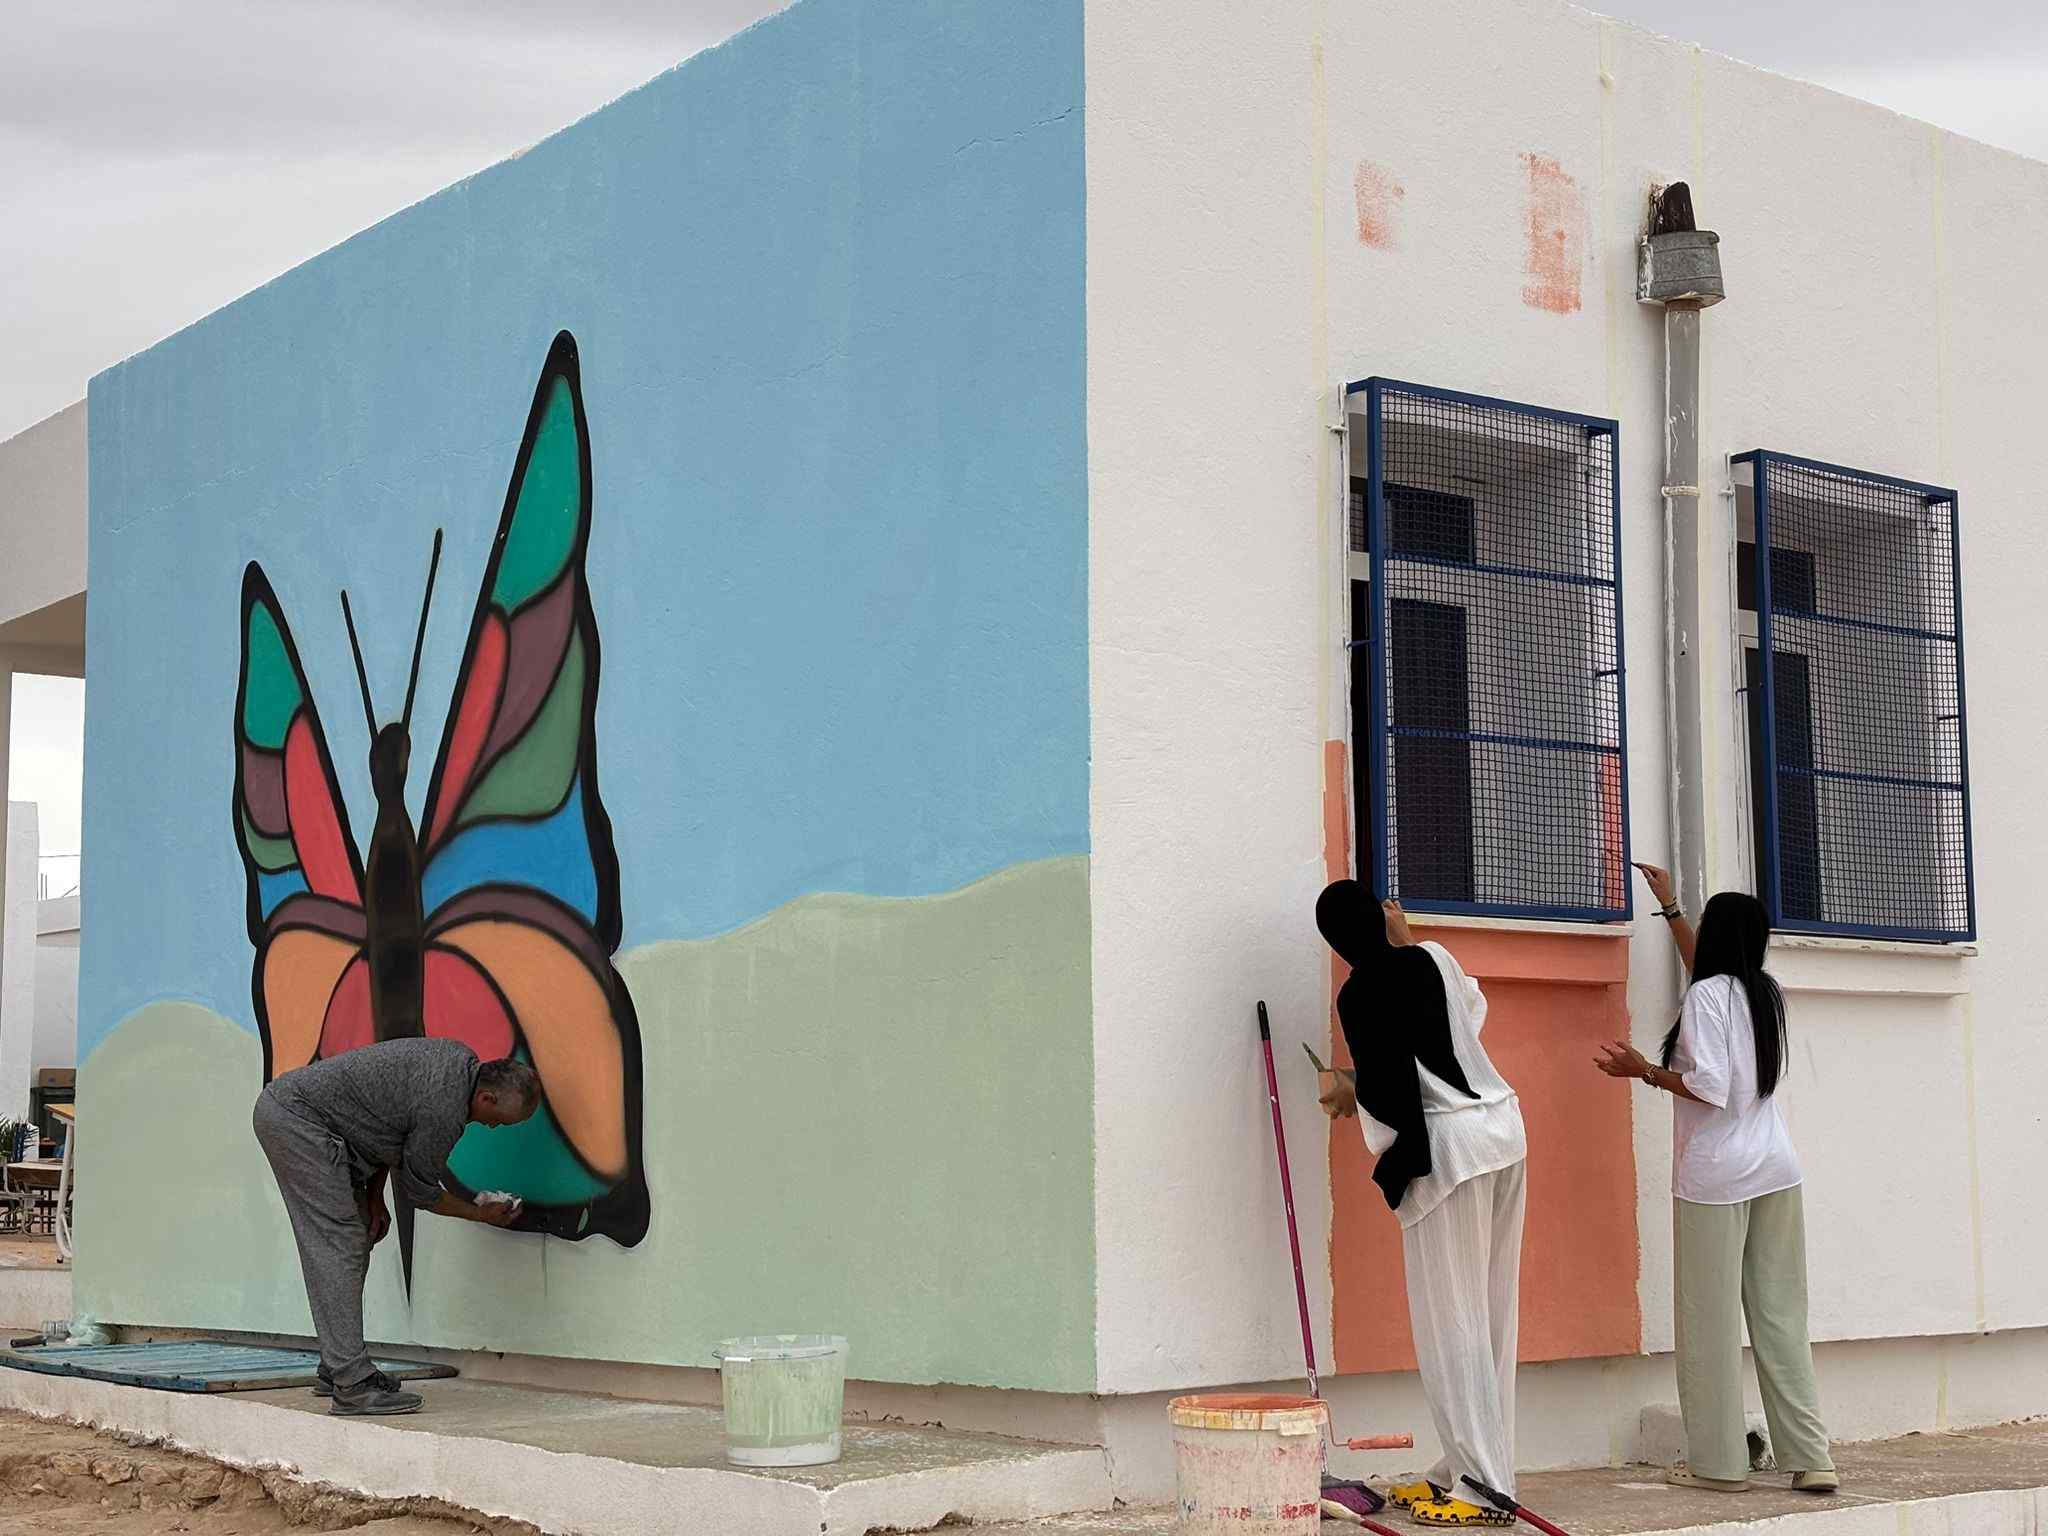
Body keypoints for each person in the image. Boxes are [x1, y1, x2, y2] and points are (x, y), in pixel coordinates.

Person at [1594, 864, 1838, 1495]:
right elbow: (1710, 978)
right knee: (1781, 1317)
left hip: (1715, 1181)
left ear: (1720, 934)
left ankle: (1719, 1465)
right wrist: (1671, 908)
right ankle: (1813, 1460)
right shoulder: (1764, 991)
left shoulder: (1708, 997)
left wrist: (1642, 1070)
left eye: (1704, 922)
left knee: (1709, 1323)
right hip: (1777, 1171)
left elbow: (1707, 1087)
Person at [1316, 880, 1526, 1529]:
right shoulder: (1433, 957)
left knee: (1451, 1326)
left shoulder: (1358, 991)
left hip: (1452, 1154)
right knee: (1491, 1317)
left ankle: (1485, 1489)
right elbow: (1469, 1015)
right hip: (1504, 1131)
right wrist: (1408, 941)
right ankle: (1467, 1469)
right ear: (1382, 916)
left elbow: (1390, 1087)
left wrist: (1351, 1094)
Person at [252, 1037, 541, 1415]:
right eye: (498, 1122)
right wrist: (479, 1213)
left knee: (359, 1232)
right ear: (486, 1098)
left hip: (310, 1118)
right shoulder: (446, 1109)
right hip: (298, 1121)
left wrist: (374, 1198)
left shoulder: (456, 1059)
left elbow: (388, 1125)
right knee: (339, 1242)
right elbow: (420, 1192)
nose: (491, 1128)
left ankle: (337, 1365)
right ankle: (352, 1385)